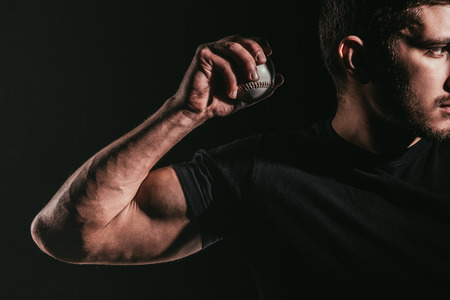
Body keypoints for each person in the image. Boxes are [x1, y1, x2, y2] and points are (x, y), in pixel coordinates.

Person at [32, 0, 450, 298]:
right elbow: (72, 234)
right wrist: (184, 114)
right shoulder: (261, 173)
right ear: (357, 58)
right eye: (439, 50)